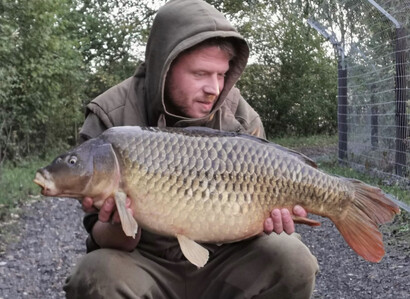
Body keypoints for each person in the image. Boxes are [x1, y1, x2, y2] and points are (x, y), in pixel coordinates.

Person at [64, 0, 319, 298]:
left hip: (224, 259)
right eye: (200, 74)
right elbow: (99, 235)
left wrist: (267, 222)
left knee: (293, 259)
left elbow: (258, 228)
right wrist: (121, 223)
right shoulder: (109, 117)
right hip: (143, 263)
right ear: (164, 67)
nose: (214, 88)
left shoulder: (240, 118)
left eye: (221, 74)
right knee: (94, 275)